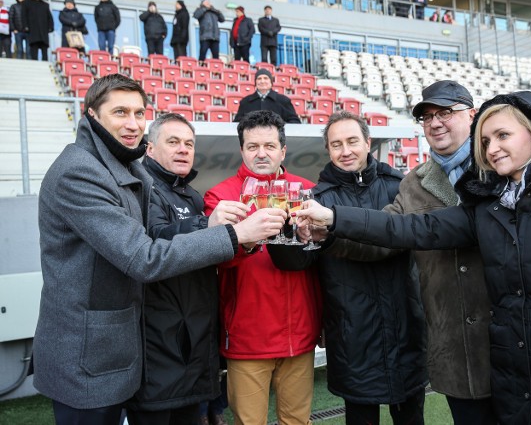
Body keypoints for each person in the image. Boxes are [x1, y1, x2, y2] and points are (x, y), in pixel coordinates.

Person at [296, 91, 531, 425]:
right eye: (486, 140)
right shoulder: (489, 207)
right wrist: (335, 218)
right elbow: (409, 227)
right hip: (515, 385)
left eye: (503, 135)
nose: (492, 148)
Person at [33, 74, 286, 425]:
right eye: (120, 112)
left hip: (121, 351)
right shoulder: (79, 172)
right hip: (87, 355)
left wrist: (208, 226)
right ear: (92, 115)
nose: (133, 123)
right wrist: (233, 234)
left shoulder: (123, 166)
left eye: (139, 113)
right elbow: (143, 256)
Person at [337, 81, 494, 424]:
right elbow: (383, 235)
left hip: (508, 343)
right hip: (453, 349)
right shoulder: (413, 183)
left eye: (446, 113)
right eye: (427, 117)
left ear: (473, 114)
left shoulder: (500, 168)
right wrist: (328, 231)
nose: (435, 123)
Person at [270, 111, 428, 425]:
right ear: (328, 150)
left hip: (405, 325)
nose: (346, 151)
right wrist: (283, 234)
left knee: (412, 417)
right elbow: (297, 262)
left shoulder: (400, 187)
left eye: (352, 141)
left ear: (368, 142)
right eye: (336, 144)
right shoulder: (317, 199)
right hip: (352, 332)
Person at [203, 110, 322, 425]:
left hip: (300, 332)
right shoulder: (222, 196)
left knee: (297, 421)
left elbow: (319, 260)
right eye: (252, 146)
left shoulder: (307, 191)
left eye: (269, 146)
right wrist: (246, 238)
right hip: (248, 335)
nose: (261, 153)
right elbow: (215, 258)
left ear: (283, 150)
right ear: (241, 150)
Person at [126, 113, 233, 425]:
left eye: (189, 143)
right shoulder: (141, 189)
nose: (183, 149)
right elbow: (155, 238)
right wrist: (209, 225)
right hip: (160, 345)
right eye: (173, 142)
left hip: (192, 342)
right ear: (149, 148)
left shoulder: (190, 194)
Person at [233, 68, 300, 124]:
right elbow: (237, 123)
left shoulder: (283, 101)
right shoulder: (245, 102)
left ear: (271, 82)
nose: (262, 81)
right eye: (259, 79)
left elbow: (294, 122)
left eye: (266, 78)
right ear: (255, 83)